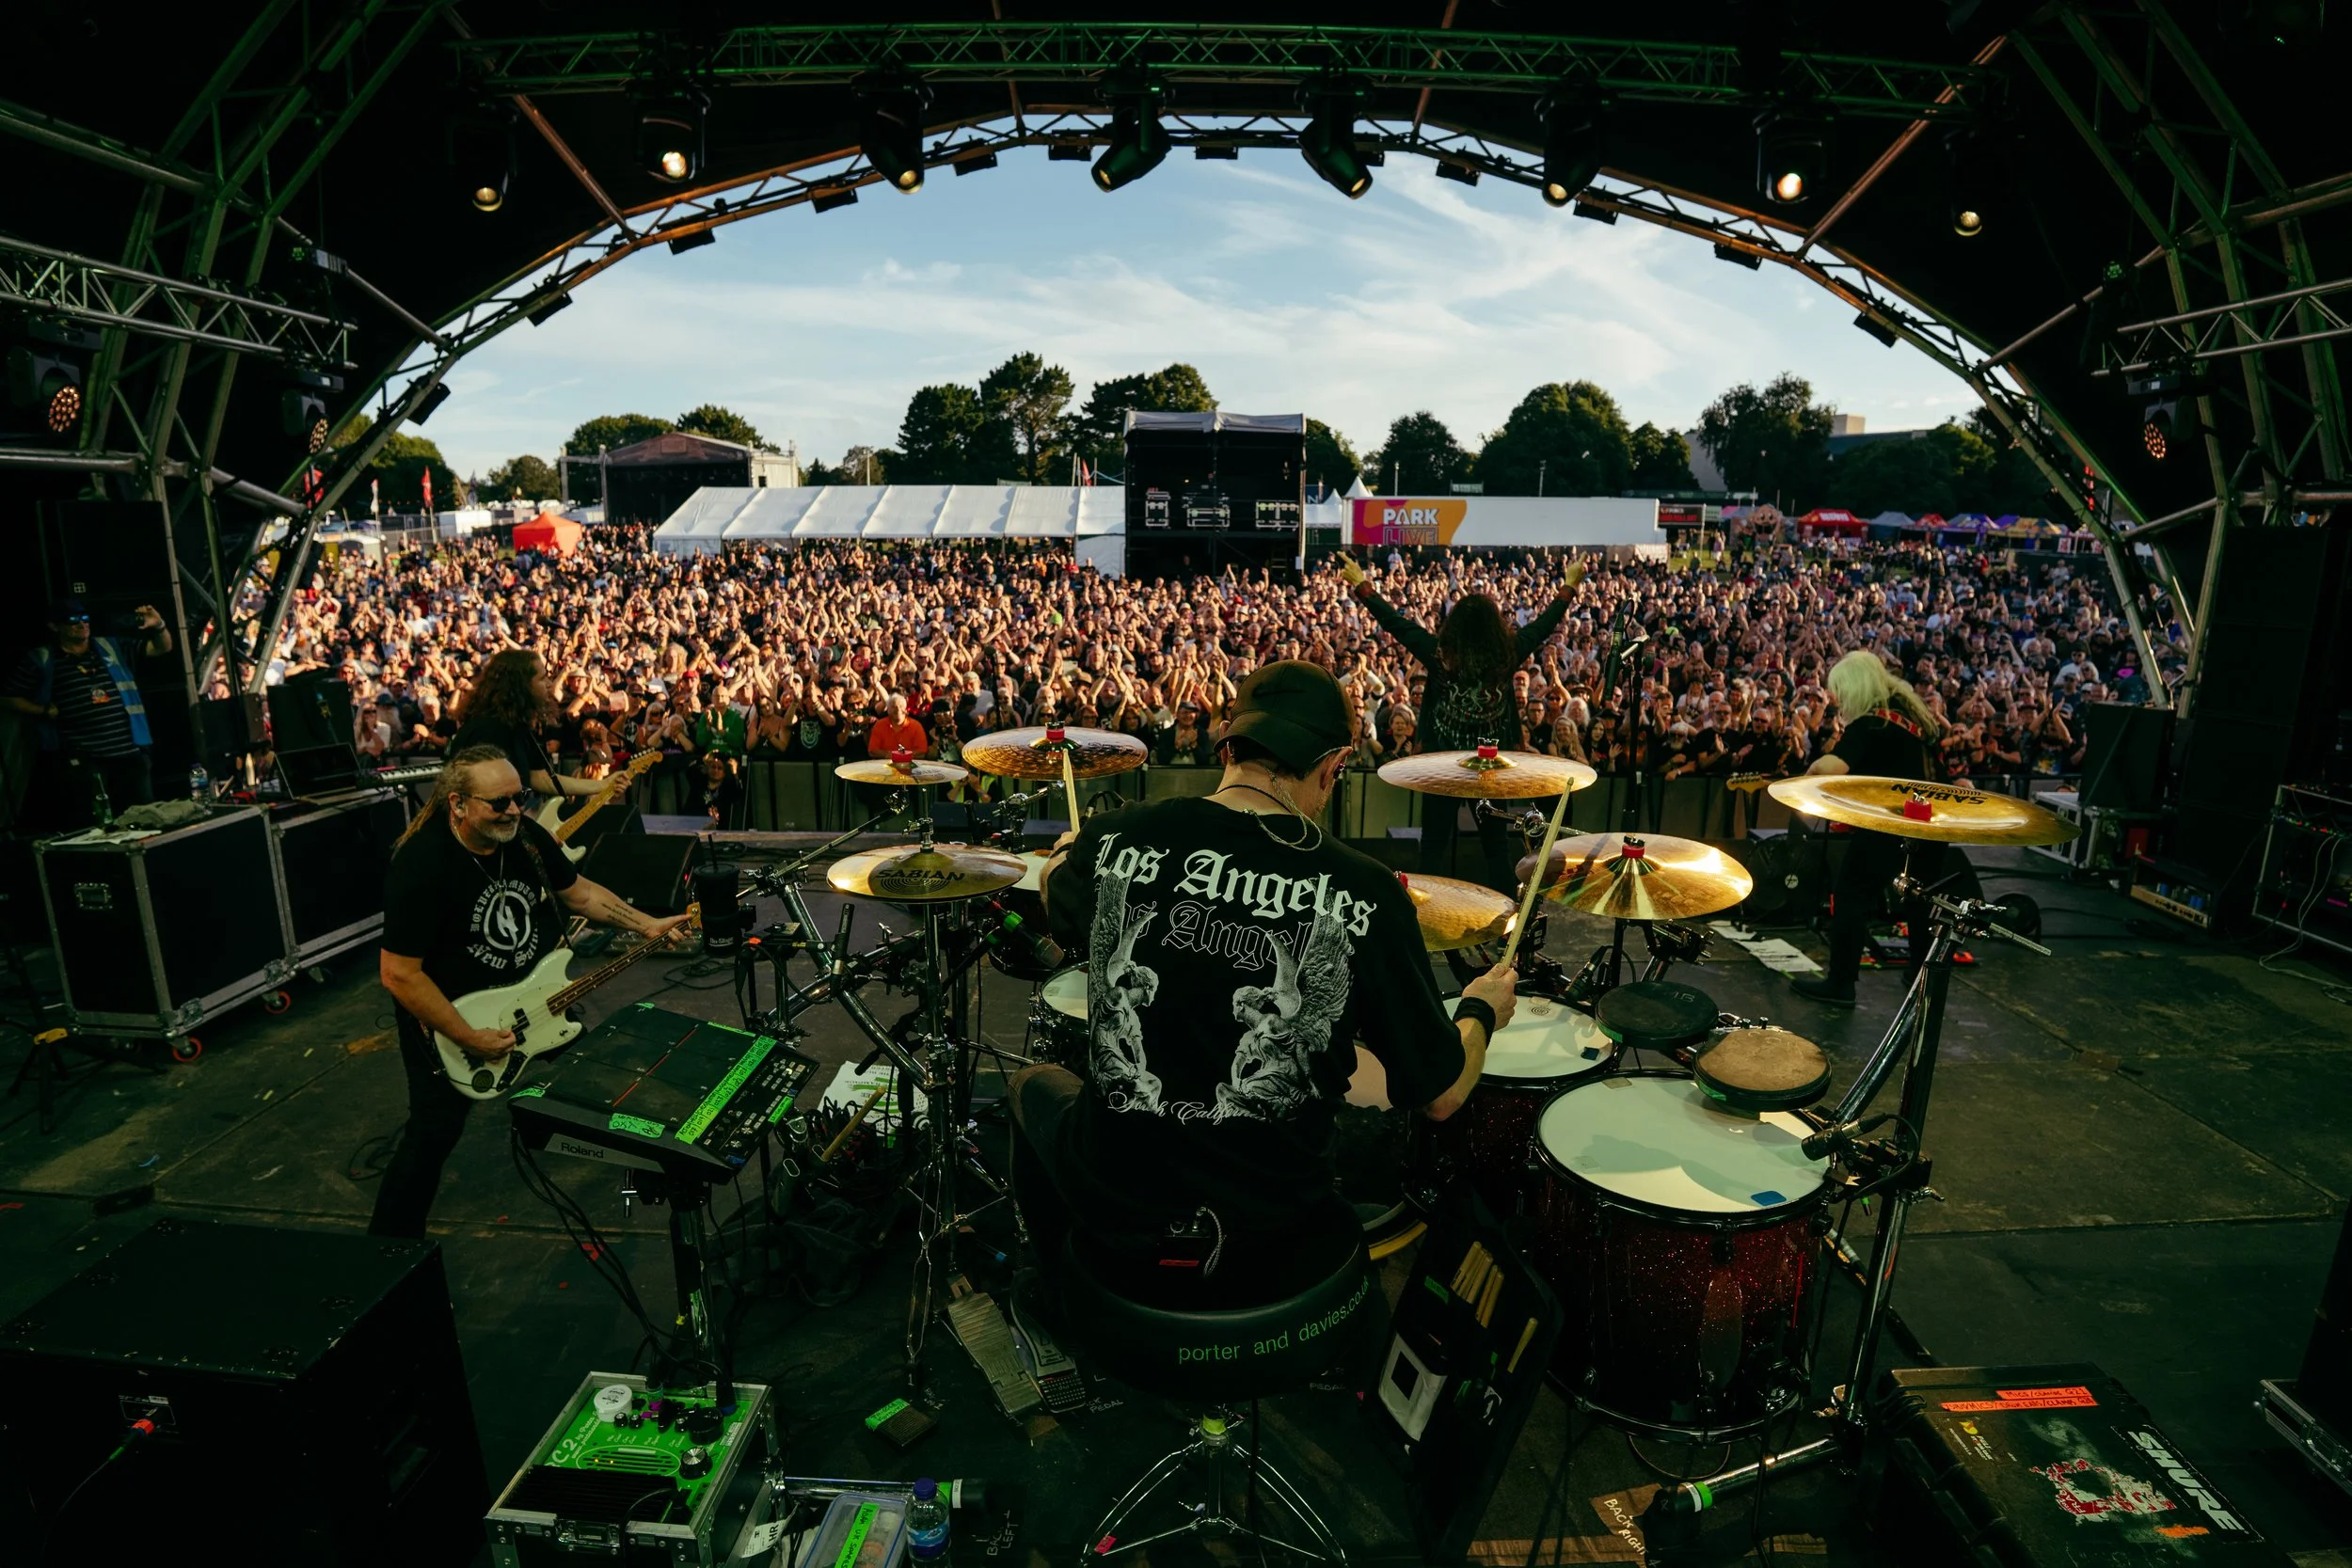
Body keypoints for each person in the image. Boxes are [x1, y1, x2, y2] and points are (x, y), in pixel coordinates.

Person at [1018, 659, 1517, 1315]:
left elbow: (1056, 890)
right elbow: (1443, 1095)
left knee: (1033, 1087)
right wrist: (1482, 1006)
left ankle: (1058, 1297)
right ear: (1332, 765)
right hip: (1269, 1230)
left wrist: (1069, 852)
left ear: (1229, 746)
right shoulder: (1363, 890)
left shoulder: (1115, 838)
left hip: (1120, 1205)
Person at [369, 745, 692, 1237]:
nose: (514, 810)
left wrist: (647, 925)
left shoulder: (523, 837)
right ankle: (386, 1250)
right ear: (458, 804)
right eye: (498, 803)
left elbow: (578, 892)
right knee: (432, 1134)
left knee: (590, 1072)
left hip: (533, 1001)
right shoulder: (422, 863)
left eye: (518, 797)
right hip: (452, 1019)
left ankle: (660, 1172)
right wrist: (468, 1035)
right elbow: (399, 975)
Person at [1339, 554, 1583, 893]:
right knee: (1496, 849)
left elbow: (1396, 623)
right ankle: (1505, 925)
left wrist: (1362, 586)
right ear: (1495, 628)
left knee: (1433, 847)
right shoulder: (1508, 653)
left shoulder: (1439, 654)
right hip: (1489, 766)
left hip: (1444, 765)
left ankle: (1423, 923)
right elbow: (1544, 625)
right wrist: (1570, 585)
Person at [1789, 650, 1944, 1007]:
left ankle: (1841, 983)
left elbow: (1832, 767)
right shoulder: (1913, 720)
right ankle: (1921, 978)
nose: (1839, 700)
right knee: (1919, 903)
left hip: (1888, 825)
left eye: (1841, 691)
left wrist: (1803, 779)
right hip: (1929, 825)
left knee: (1851, 896)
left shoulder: (1873, 722)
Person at [5, 597, 173, 830]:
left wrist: (158, 626)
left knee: (146, 819)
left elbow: (162, 648)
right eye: (73, 621)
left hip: (128, 751)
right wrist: (42, 709)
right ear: (55, 626)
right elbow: (9, 698)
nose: (81, 625)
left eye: (84, 619)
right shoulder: (43, 659)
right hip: (85, 758)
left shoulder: (110, 647)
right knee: (97, 824)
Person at [449, 648, 614, 816]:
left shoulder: (518, 727)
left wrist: (603, 785)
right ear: (521, 686)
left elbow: (541, 778)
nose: (550, 684)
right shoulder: (489, 730)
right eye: (542, 678)